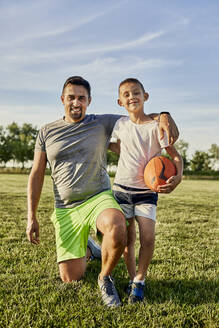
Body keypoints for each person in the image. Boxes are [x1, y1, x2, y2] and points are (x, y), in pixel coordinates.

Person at [26, 76, 179, 307]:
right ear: (62, 99)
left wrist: (164, 115)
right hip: (66, 208)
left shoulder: (101, 122)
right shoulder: (47, 131)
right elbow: (36, 173)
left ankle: (104, 277)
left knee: (119, 227)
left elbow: (138, 115)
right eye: (71, 98)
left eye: (81, 98)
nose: (76, 103)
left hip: (98, 197)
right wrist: (31, 216)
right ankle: (91, 249)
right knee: (70, 278)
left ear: (89, 101)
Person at [111, 78, 183, 304]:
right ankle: (134, 281)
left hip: (146, 192)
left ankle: (141, 279)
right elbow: (117, 146)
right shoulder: (119, 125)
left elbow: (175, 155)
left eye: (136, 93)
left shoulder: (156, 127)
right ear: (120, 101)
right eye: (126, 94)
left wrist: (178, 176)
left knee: (148, 238)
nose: (131, 97)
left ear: (145, 97)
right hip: (121, 189)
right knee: (127, 240)